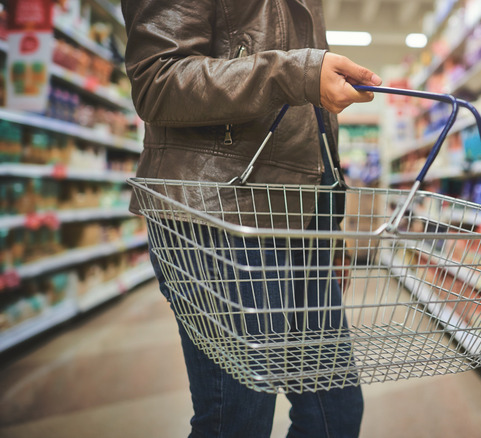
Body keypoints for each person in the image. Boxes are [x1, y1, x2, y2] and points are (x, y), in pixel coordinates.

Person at [120, 1, 382, 437]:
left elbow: (308, 116)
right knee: (238, 421)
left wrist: (328, 219)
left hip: (301, 215)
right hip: (220, 213)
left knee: (335, 415)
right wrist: (294, 73)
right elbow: (156, 80)